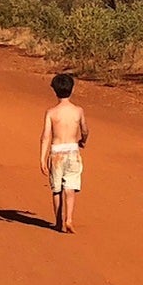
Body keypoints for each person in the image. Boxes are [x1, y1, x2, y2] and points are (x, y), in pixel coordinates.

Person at [38, 72, 88, 233]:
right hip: (73, 151)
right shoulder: (78, 111)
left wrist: (42, 158)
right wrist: (83, 141)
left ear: (54, 90)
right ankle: (69, 219)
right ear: (72, 89)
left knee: (56, 189)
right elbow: (85, 130)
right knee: (70, 187)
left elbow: (45, 136)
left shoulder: (51, 112)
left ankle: (58, 220)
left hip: (56, 152)